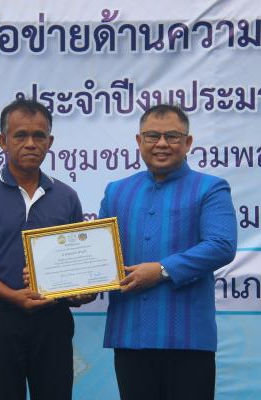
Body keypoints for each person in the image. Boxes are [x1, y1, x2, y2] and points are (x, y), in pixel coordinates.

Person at [0, 98, 91, 400]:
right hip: (0, 319)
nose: (30, 143)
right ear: (2, 141)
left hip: (53, 321)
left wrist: (83, 291)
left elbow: (79, 266)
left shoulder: (66, 196)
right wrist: (12, 296)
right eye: (20, 135)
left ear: (50, 142)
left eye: (39, 136)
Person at [99, 104, 237, 400]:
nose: (161, 143)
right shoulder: (116, 191)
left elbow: (221, 245)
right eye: (152, 136)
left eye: (172, 136)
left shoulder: (210, 188)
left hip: (187, 338)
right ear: (139, 141)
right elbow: (99, 253)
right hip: (130, 335)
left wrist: (162, 270)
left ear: (188, 142)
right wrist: (68, 283)